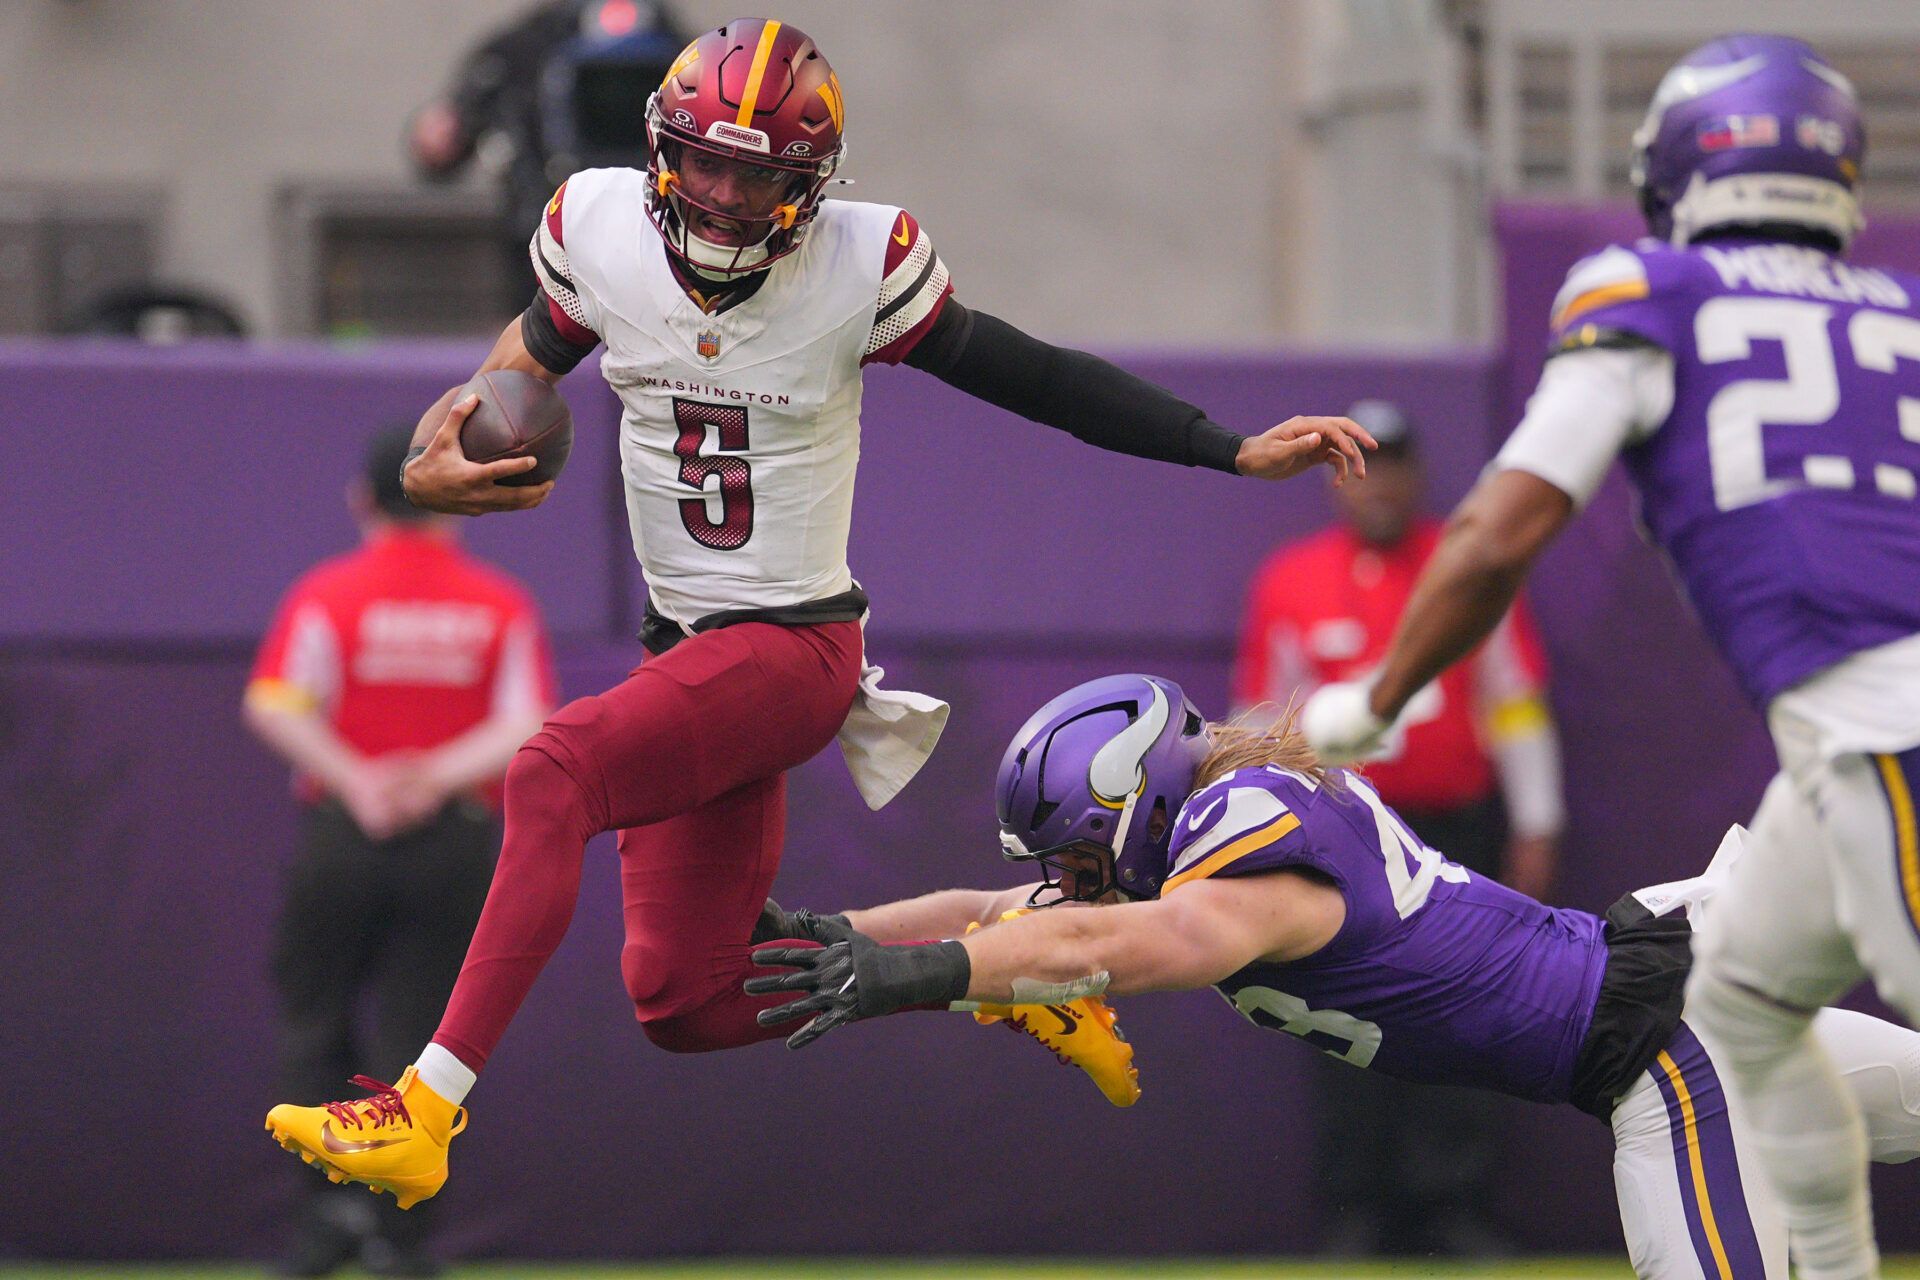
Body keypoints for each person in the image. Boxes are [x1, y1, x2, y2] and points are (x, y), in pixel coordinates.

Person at [264, 17, 1375, 1210]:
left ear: (809, 187)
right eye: (705, 161)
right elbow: (518, 368)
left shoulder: (861, 260)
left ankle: (426, 1105)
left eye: (758, 173)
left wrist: (1227, 448)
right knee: (689, 999)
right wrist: (445, 458)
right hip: (685, 650)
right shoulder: (594, 226)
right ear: (662, 150)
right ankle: (1015, 961)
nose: (726, 192)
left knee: (550, 773)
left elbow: (1036, 375)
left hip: (791, 645)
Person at [1293, 34, 1920, 1280]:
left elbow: (1493, 532)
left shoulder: (1650, 289)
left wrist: (1371, 703)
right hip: (1838, 754)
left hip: (1879, 741)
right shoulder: (1898, 312)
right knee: (1735, 1006)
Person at [744, 675, 1920, 1280]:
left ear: (1139, 797)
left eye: (1079, 856)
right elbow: (996, 911)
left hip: (1663, 1044)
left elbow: (1151, 946)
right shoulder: (1229, 814)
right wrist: (829, 930)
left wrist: (910, 979)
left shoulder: (1237, 845)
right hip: (1675, 970)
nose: (1069, 884)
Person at [1233, 399, 1565, 1254]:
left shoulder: (1463, 564)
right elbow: (1259, 713)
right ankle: (1356, 1212)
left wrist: (1537, 819)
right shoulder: (1291, 577)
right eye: (1361, 465)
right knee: (1334, 1015)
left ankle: (1456, 1208)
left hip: (1451, 825)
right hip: (1335, 835)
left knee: (1470, 1013)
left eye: (1395, 464)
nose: (1378, 485)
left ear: (1419, 477)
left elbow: (1513, 699)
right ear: (1335, 478)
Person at [245, 425, 557, 1276]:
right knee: (430, 1049)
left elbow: (275, 704)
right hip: (454, 841)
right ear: (456, 504)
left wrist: (362, 782)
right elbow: (528, 719)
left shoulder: (327, 595)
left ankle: (330, 1222)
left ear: (359, 502)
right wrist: (433, 777)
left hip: (345, 838)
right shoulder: (496, 603)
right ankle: (398, 1239)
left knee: (316, 1022)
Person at [407, 0, 687, 309]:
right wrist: (444, 130)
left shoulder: (681, 50)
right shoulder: (522, 48)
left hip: (653, 246)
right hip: (543, 251)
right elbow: (446, 137)